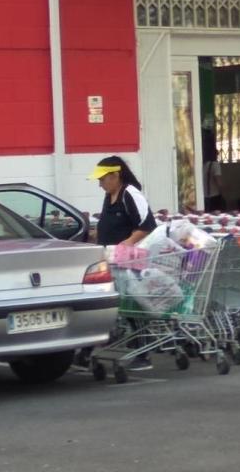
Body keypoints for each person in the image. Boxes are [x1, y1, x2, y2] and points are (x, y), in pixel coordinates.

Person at [85, 156, 158, 370]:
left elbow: (146, 225)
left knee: (132, 305)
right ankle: (86, 350)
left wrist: (127, 243)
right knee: (112, 304)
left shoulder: (130, 194)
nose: (100, 184)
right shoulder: (110, 196)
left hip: (129, 259)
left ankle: (143, 352)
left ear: (116, 175)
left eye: (103, 179)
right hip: (111, 258)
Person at [202, 129, 225, 212]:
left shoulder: (203, 165)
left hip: (204, 197)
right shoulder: (215, 165)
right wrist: (224, 192)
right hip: (214, 198)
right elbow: (218, 182)